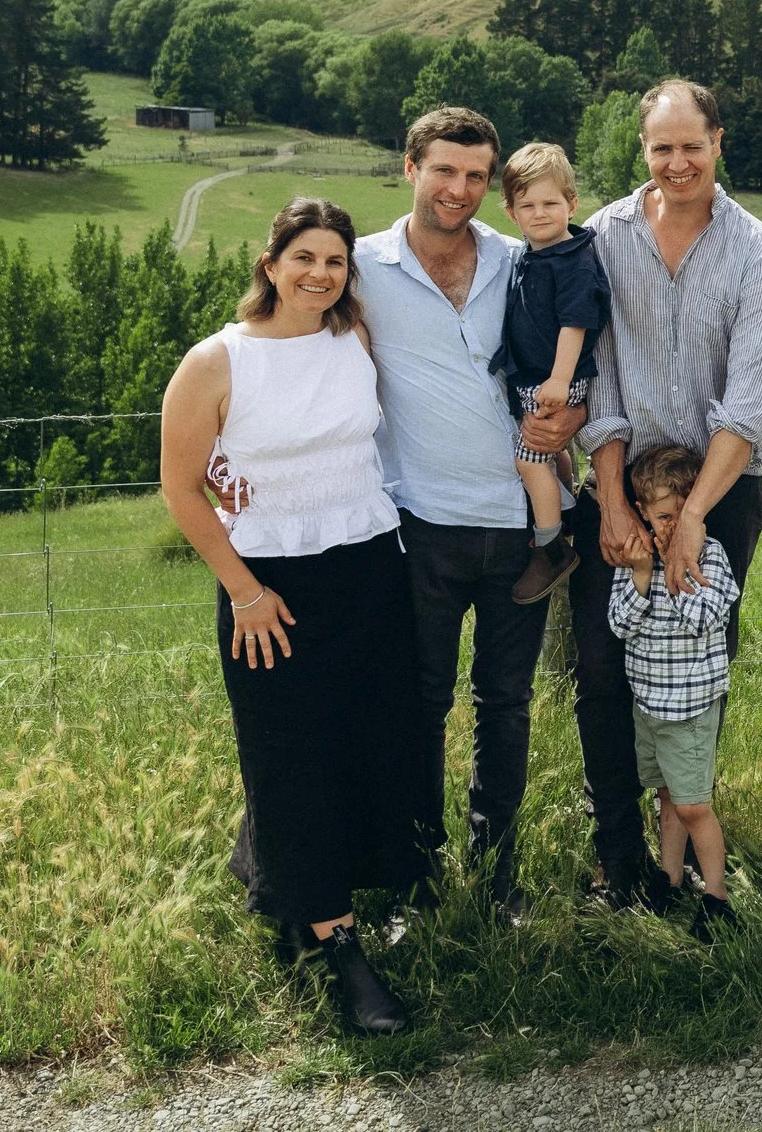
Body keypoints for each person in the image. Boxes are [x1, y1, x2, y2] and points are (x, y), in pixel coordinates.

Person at [159, 198, 419, 1034]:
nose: (320, 273)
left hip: (370, 565)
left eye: (335, 261)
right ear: (270, 263)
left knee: (363, 742)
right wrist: (243, 588)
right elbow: (180, 486)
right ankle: (334, 943)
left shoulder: (356, 340)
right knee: (289, 753)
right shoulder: (216, 360)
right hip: (269, 585)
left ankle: (290, 886)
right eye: (304, 256)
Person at [569, 81, 762, 906]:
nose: (677, 160)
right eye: (661, 147)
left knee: (701, 657)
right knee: (601, 666)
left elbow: (752, 398)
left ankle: (687, 836)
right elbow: (597, 371)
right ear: (643, 151)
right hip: (618, 478)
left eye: (691, 144)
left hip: (722, 488)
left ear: (719, 142)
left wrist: (693, 517)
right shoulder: (603, 236)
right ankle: (616, 854)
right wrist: (616, 500)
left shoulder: (756, 248)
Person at [354, 106, 576, 918]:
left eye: (476, 175)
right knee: (419, 703)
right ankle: (415, 877)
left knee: (506, 702)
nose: (459, 188)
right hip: (418, 523)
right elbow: (291, 350)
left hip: (523, 523)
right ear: (409, 167)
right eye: (444, 170)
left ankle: (498, 875)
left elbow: (578, 366)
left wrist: (573, 419)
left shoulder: (525, 261)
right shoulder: (360, 265)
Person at [606, 444, 742, 936]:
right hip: (649, 704)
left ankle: (717, 898)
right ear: (642, 512)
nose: (670, 526)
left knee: (693, 805)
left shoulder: (711, 557)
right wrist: (644, 575)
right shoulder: (634, 563)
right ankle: (669, 879)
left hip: (689, 707)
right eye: (663, 515)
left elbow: (705, 619)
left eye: (682, 515)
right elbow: (620, 625)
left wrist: (675, 568)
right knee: (666, 797)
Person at [489, 140, 611, 604]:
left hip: (556, 380)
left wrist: (560, 381)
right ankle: (563, 512)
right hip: (534, 378)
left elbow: (575, 321)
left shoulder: (573, 260)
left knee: (528, 457)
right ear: (511, 212)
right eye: (527, 205)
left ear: (571, 204)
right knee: (551, 455)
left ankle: (550, 547)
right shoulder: (529, 253)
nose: (540, 214)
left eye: (550, 203)